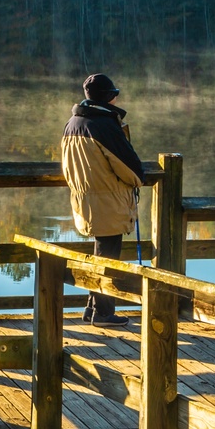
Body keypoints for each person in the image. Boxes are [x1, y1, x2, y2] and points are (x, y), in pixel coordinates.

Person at [60, 73, 145, 327]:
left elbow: (65, 166)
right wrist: (137, 177)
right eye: (113, 94)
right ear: (109, 97)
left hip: (85, 198)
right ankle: (104, 313)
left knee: (100, 254)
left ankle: (91, 308)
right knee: (108, 258)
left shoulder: (72, 123)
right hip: (108, 200)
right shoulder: (105, 126)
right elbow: (131, 170)